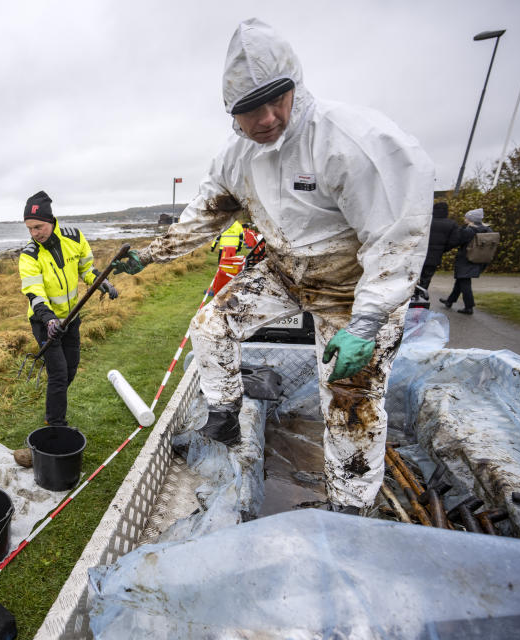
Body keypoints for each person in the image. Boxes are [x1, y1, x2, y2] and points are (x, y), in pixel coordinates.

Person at [111, 18, 434, 514]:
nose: (264, 119)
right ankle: (223, 413)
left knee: (351, 400)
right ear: (230, 113)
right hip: (285, 272)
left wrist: (368, 322)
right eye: (247, 111)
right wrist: (152, 253)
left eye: (275, 100)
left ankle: (351, 506)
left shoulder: (352, 142)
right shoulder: (236, 158)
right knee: (211, 325)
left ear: (295, 86)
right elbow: (206, 214)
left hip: (353, 291)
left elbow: (396, 241)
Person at [13, 191, 118, 466]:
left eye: (39, 226)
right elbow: (34, 293)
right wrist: (49, 320)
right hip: (44, 322)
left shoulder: (74, 237)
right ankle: (55, 426)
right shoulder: (29, 255)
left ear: (51, 220)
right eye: (30, 228)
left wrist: (100, 281)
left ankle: (53, 413)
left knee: (71, 368)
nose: (35, 233)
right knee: (58, 374)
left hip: (71, 318)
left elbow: (87, 269)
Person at [439, 208, 493, 315]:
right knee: (461, 280)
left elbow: (457, 241)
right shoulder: (487, 229)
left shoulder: (469, 231)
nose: (464, 219)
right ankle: (450, 301)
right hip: (478, 259)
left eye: (466, 217)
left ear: (471, 219)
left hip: (466, 259)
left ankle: (469, 307)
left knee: (464, 282)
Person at [415, 202, 459, 299]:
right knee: (427, 277)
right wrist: (442, 249)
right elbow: (454, 241)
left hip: (418, 253)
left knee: (415, 275)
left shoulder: (426, 221)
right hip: (435, 255)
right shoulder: (452, 224)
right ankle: (421, 295)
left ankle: (411, 294)